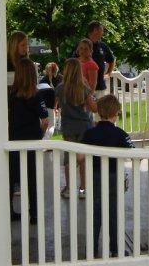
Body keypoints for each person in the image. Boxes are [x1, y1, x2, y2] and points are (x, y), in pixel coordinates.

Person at [82, 95, 134, 257]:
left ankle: (91, 250)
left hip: (95, 177)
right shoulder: (120, 134)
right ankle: (116, 249)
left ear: (99, 112)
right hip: (114, 177)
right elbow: (133, 153)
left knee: (95, 215)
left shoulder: (90, 133)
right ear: (115, 113)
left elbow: (79, 157)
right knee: (114, 215)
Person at [8, 58, 49, 223]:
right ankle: (34, 213)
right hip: (31, 140)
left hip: (14, 140)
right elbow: (45, 120)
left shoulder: (12, 95)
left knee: (11, 177)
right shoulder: (36, 96)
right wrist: (40, 134)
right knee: (32, 177)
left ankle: (9, 210)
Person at [56, 58, 97, 198]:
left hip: (68, 126)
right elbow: (93, 108)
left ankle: (68, 188)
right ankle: (83, 189)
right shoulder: (83, 88)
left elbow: (58, 105)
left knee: (69, 158)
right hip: (84, 125)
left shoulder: (60, 88)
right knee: (83, 158)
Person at [75, 21, 116, 99]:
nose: (102, 32)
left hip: (100, 86)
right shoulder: (81, 45)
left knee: (99, 106)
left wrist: (108, 73)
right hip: (83, 87)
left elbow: (112, 60)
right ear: (94, 31)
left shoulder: (102, 45)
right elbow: (73, 62)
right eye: (101, 30)